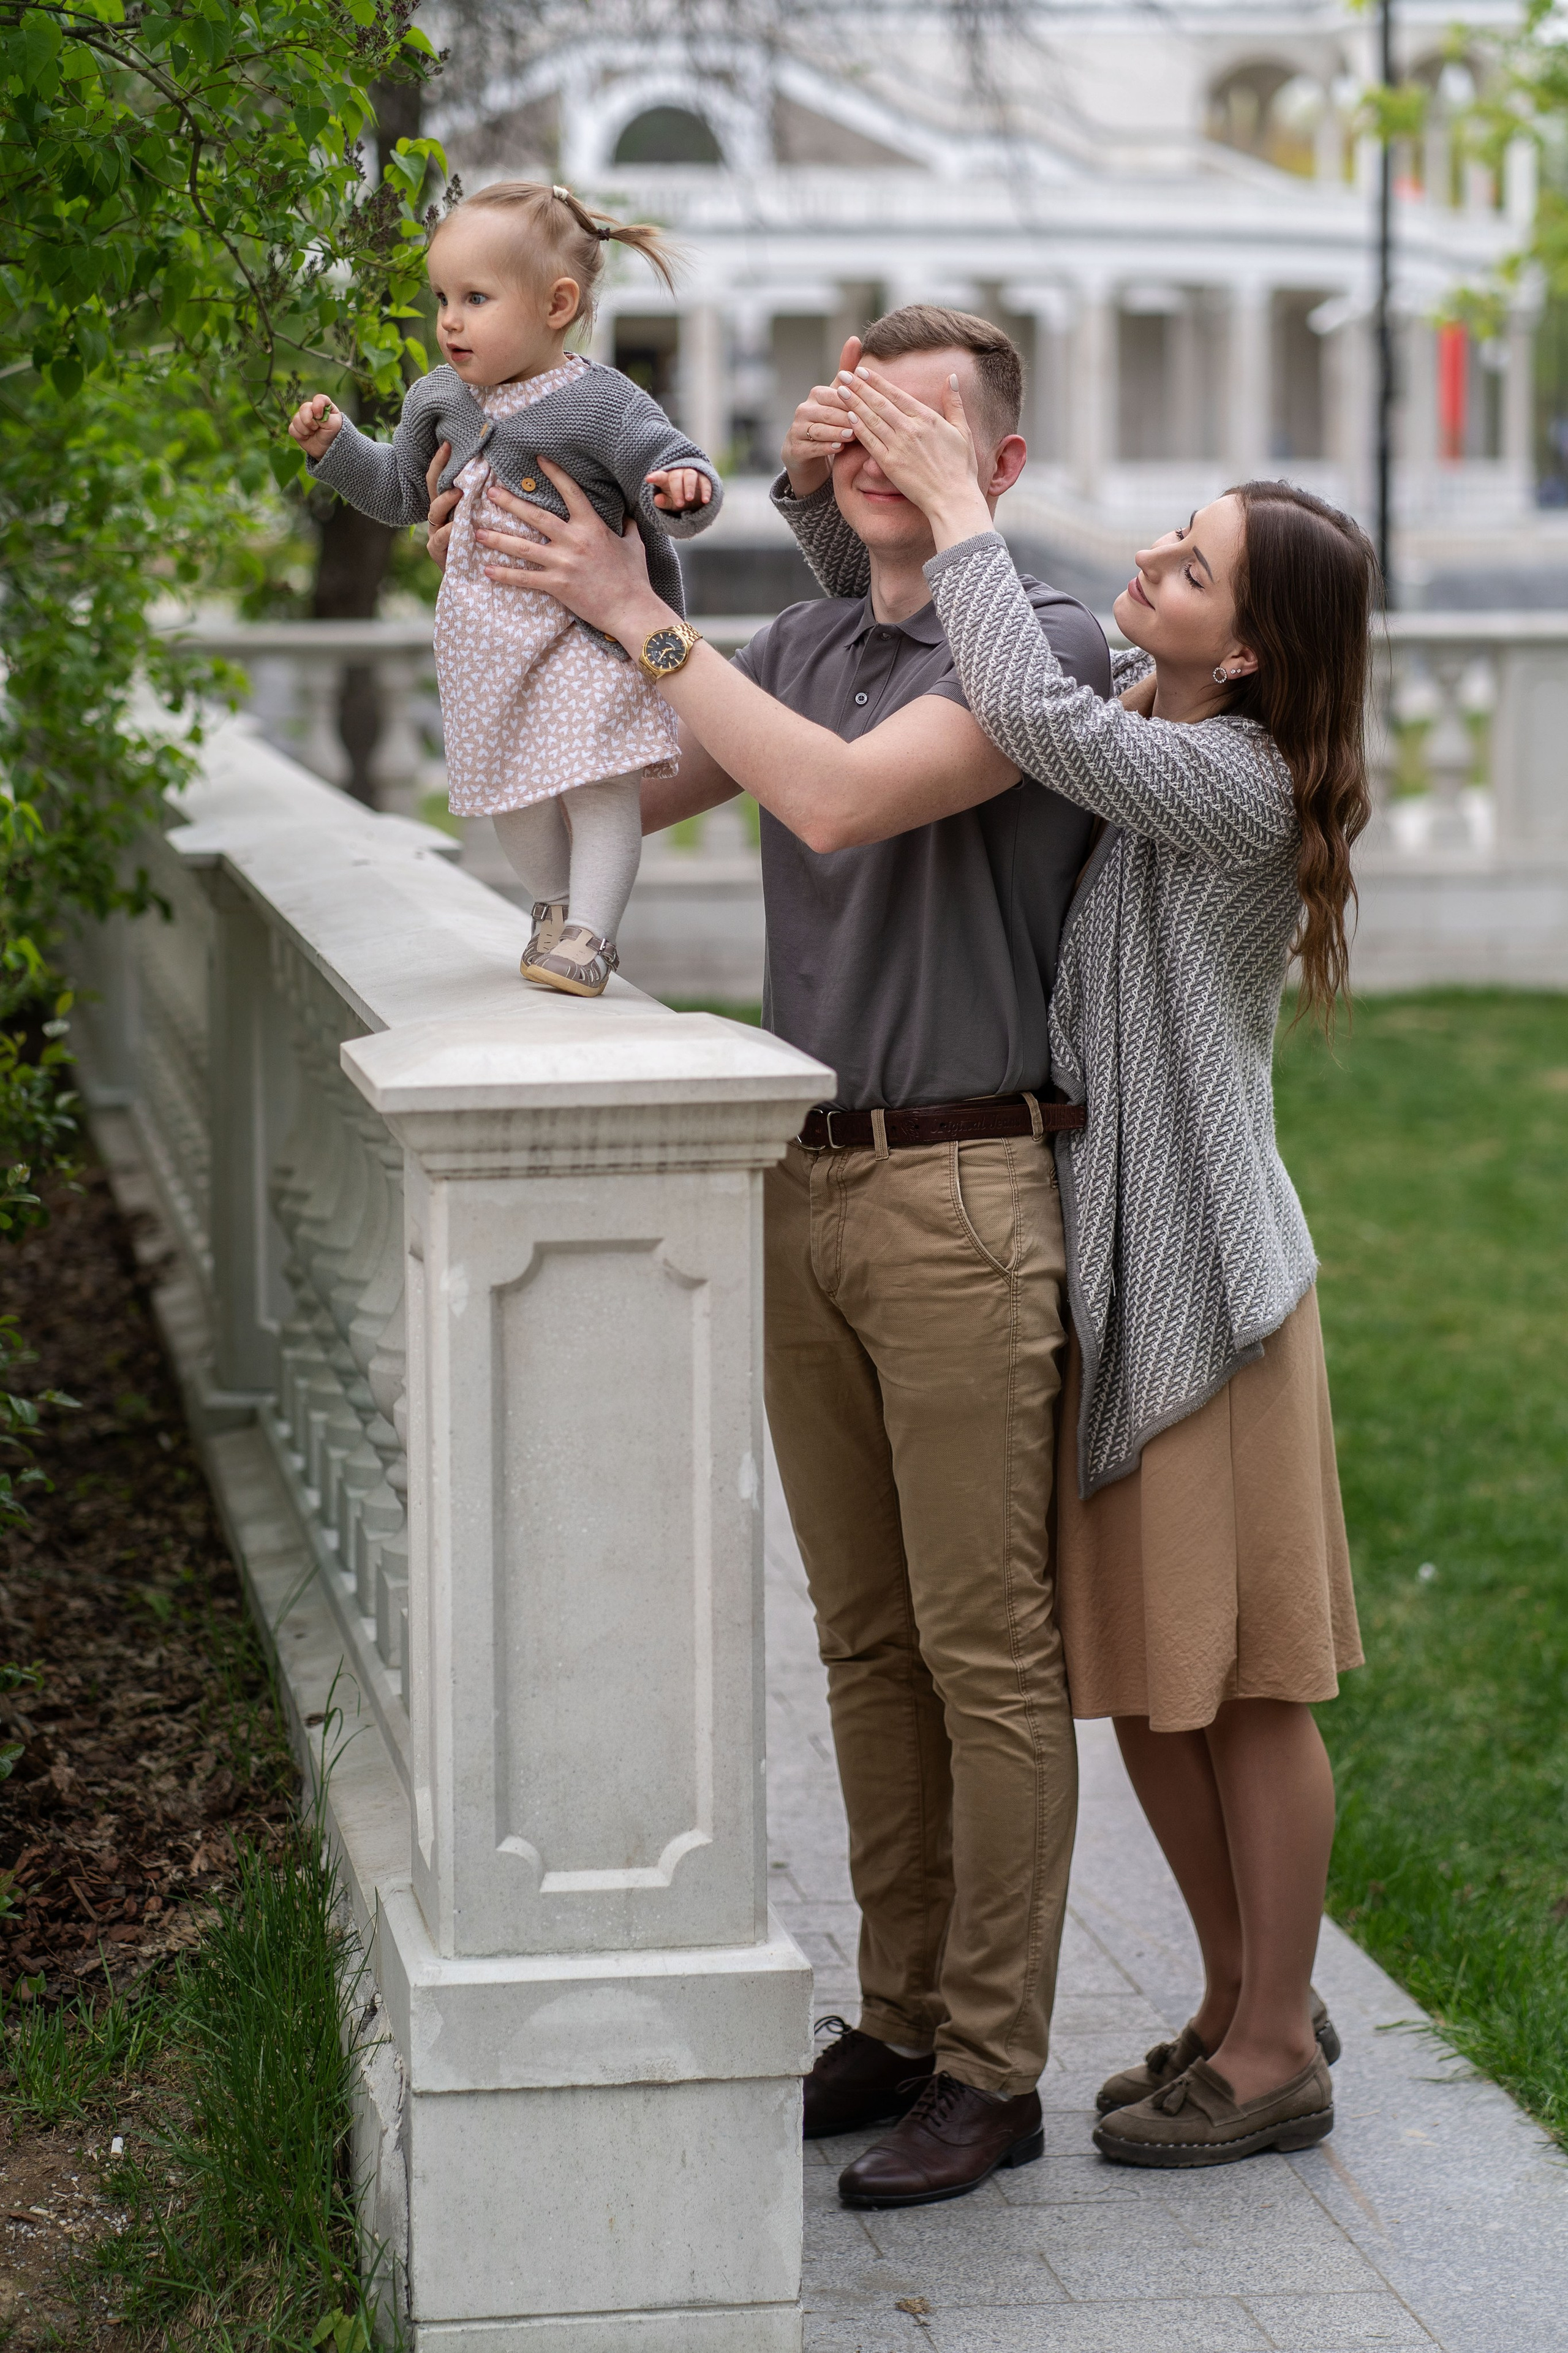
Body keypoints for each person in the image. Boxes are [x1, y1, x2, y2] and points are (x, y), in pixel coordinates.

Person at [437, 304, 1112, 2208]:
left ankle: (994, 2061)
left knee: (988, 1651)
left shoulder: (1041, 643)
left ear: (1005, 468)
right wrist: (509, 617)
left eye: (927, 417)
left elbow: (829, 795)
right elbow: (568, 830)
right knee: (863, 1637)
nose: (880, 440)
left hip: (970, 1199)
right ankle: (899, 2020)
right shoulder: (809, 639)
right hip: (804, 1184)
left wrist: (638, 615)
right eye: (857, 409)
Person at [815, 357, 1368, 2170]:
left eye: (1195, 565)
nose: (1153, 561)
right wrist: (852, 492)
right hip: (1124, 1296)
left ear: (1258, 651)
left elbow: (1036, 722)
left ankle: (1277, 2037)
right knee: (1147, 1684)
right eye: (1171, 535)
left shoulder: (1224, 773)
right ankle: (1231, 2001)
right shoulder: (1154, 707)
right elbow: (940, 647)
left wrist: (965, 502)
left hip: (1210, 1299)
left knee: (1252, 1686)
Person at [287, 181, 722, 997]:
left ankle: (592, 934)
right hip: (488, 648)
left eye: (476, 298)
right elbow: (400, 494)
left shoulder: (603, 404)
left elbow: (668, 457)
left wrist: (682, 488)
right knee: (509, 794)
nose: (449, 319)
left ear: (558, 304)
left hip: (587, 636)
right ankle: (552, 908)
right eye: (443, 297)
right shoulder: (439, 399)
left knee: (599, 786)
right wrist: (337, 445)